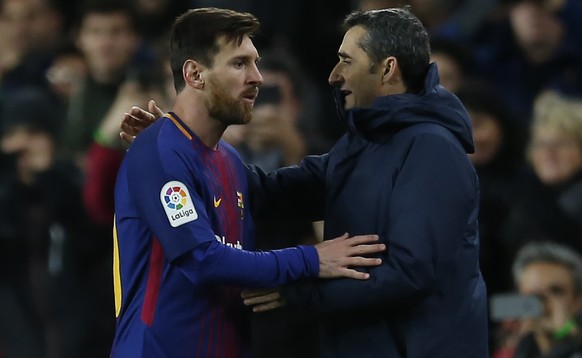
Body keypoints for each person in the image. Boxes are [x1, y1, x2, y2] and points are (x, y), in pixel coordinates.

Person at [122, 7, 488, 358]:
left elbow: (412, 272)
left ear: (387, 68)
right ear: (194, 74)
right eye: (240, 63)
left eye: (346, 60)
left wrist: (299, 287)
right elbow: (261, 194)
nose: (333, 74)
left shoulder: (432, 149)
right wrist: (181, 149)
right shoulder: (360, 148)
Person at [110, 8, 385, 358]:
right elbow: (202, 260)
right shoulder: (159, 152)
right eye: (240, 64)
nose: (257, 77)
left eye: (255, 63)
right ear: (195, 74)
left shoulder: (225, 160)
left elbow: (280, 199)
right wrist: (312, 259)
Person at [497, 242, 582, 357]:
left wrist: (565, 337)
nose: (544, 304)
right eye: (535, 295)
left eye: (556, 292)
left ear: (578, 300)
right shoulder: (515, 351)